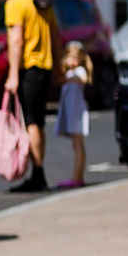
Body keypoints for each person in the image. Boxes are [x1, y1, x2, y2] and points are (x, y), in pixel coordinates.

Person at [2, 0, 57, 193]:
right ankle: (38, 169)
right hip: (44, 65)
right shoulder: (41, 0)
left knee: (31, 122)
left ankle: (37, 172)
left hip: (29, 67)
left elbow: (16, 39)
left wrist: (13, 74)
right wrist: (59, 63)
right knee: (38, 122)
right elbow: (57, 33)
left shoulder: (15, 3)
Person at [54, 41, 91, 188]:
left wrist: (69, 78)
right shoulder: (69, 73)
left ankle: (77, 176)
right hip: (71, 112)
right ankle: (77, 175)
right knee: (76, 146)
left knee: (78, 145)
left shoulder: (79, 72)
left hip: (77, 113)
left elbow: (84, 79)